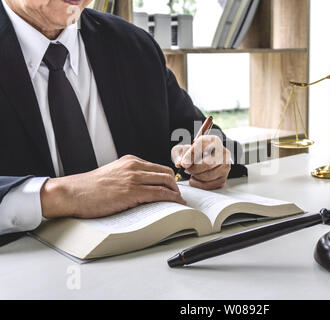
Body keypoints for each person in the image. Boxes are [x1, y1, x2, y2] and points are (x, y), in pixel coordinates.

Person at [0, 0, 246, 236]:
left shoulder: (134, 45)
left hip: (151, 254)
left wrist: (209, 158)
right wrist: (60, 195)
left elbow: (199, 134)